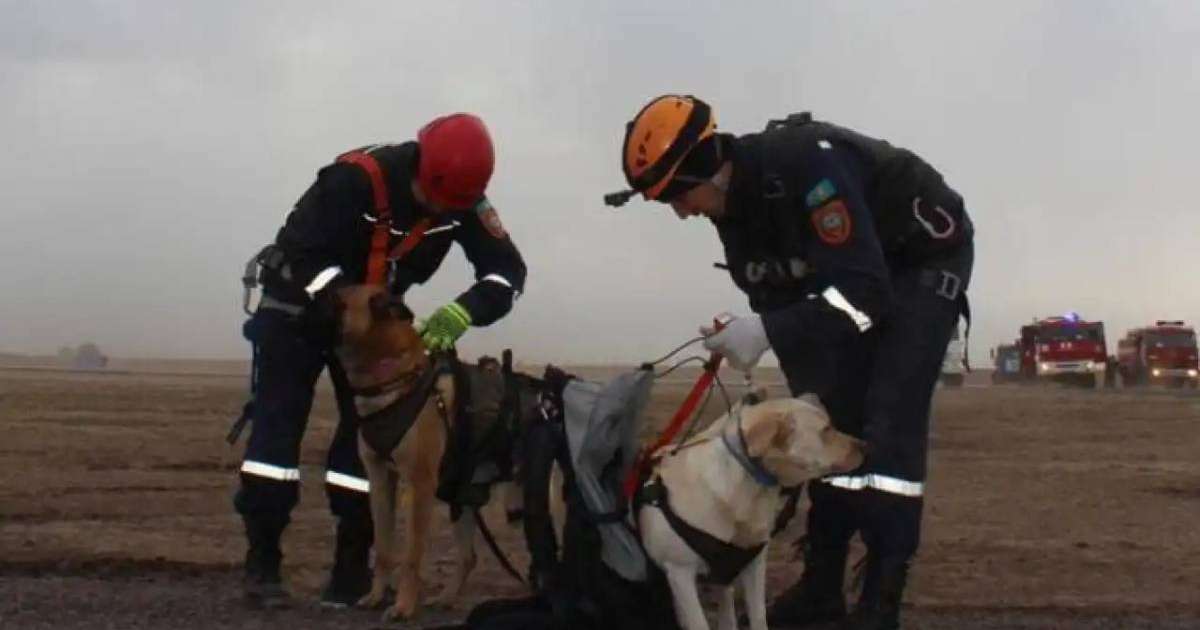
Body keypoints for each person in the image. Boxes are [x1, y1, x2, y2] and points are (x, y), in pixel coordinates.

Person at [607, 95, 973, 630]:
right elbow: (783, 297)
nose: (682, 213)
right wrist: (751, 334)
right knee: (828, 418)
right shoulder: (732, 214)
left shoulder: (808, 167)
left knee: (888, 420)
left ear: (708, 166)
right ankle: (823, 588)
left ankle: (879, 606)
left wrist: (769, 330)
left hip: (919, 260)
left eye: (678, 197)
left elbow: (865, 291)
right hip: (859, 275)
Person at [235, 113, 527, 609]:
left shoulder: (462, 202)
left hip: (368, 327)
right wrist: (350, 304)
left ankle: (352, 571)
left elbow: (506, 271)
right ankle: (263, 566)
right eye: (433, 201)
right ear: (421, 169)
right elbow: (299, 252)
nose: (438, 213)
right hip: (299, 314)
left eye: (450, 208)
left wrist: (466, 310)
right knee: (274, 444)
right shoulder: (352, 180)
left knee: (366, 447)